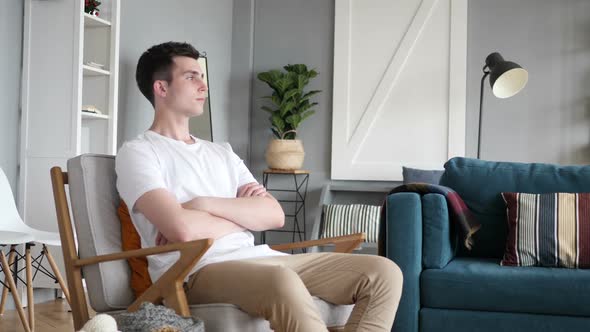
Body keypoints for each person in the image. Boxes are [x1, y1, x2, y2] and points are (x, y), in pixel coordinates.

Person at [115, 41, 403, 332]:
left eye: (202, 77)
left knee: (383, 272)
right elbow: (182, 230)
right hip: (196, 271)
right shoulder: (139, 152)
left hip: (260, 259)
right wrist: (241, 218)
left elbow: (274, 216)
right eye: (191, 77)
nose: (203, 86)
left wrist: (202, 204)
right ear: (161, 88)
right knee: (280, 279)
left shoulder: (221, 152)